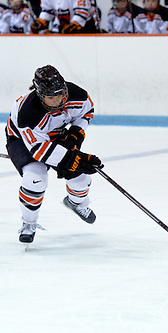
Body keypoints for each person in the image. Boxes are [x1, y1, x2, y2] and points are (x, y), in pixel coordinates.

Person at [5, 65, 103, 244]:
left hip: (55, 135)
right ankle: (28, 223)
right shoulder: (27, 114)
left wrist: (75, 134)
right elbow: (40, 151)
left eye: (60, 94)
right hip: (24, 141)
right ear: (41, 95)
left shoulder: (77, 94)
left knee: (80, 179)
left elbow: (86, 112)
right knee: (35, 178)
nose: (58, 100)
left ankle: (76, 204)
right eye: (51, 97)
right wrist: (76, 159)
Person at [30, 0, 98, 34]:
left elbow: (82, 13)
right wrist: (41, 22)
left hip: (85, 30)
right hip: (64, 29)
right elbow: (48, 11)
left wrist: (74, 24)